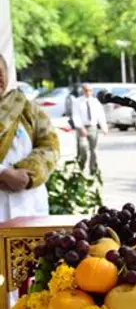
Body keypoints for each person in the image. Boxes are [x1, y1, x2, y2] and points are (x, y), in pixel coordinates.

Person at [0, 54, 60, 223]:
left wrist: (28, 174)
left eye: (0, 73)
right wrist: (3, 174)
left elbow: (50, 146)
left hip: (29, 205)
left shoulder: (28, 110)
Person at [72, 84, 107, 175]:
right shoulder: (77, 102)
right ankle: (80, 168)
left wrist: (104, 127)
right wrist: (80, 127)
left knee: (94, 150)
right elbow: (75, 115)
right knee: (82, 148)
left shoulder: (96, 102)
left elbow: (100, 115)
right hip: (82, 127)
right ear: (83, 91)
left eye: (90, 90)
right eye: (86, 90)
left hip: (92, 127)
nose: (88, 92)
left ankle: (93, 170)